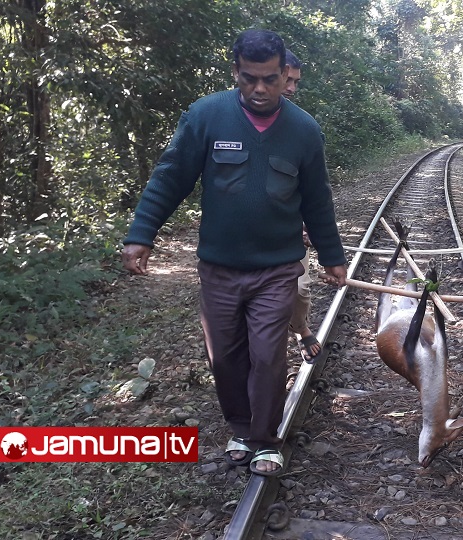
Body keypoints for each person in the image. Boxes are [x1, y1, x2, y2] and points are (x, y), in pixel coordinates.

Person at [120, 29, 347, 477]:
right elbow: (170, 177)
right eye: (249, 78)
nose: (259, 89)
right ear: (235, 73)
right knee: (224, 357)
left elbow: (317, 200)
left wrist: (331, 255)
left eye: (269, 79)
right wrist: (141, 233)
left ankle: (264, 440)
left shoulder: (303, 130)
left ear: (284, 74)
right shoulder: (207, 116)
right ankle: (241, 429)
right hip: (219, 269)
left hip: (277, 268)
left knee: (267, 355)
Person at [281, 49, 320, 362]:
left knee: (298, 289)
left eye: (296, 82)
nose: (292, 88)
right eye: (287, 80)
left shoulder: (302, 126)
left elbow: (312, 186)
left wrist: (307, 224)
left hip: (293, 232)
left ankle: (300, 327)